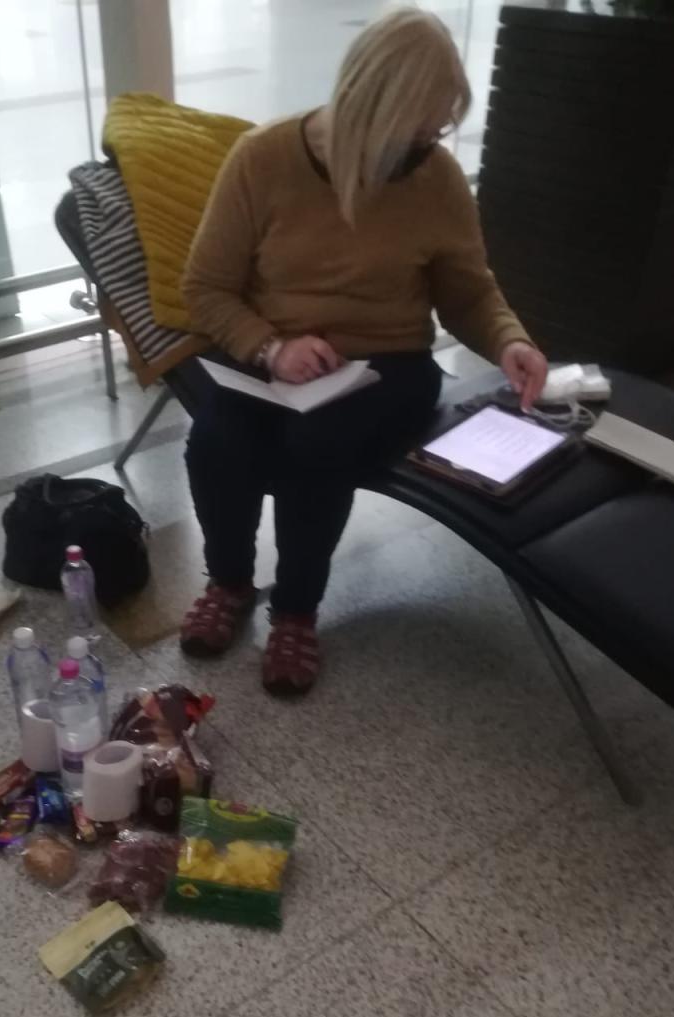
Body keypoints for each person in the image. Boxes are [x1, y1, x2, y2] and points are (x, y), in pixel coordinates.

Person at [180, 7, 548, 696]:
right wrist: (270, 347)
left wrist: (509, 340)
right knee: (216, 441)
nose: (429, 146)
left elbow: (468, 290)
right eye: (417, 131)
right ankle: (228, 583)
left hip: (389, 365)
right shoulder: (263, 159)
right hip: (274, 362)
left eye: (438, 129)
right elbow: (205, 289)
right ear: (367, 112)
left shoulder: (433, 178)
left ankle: (295, 611)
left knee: (318, 445)